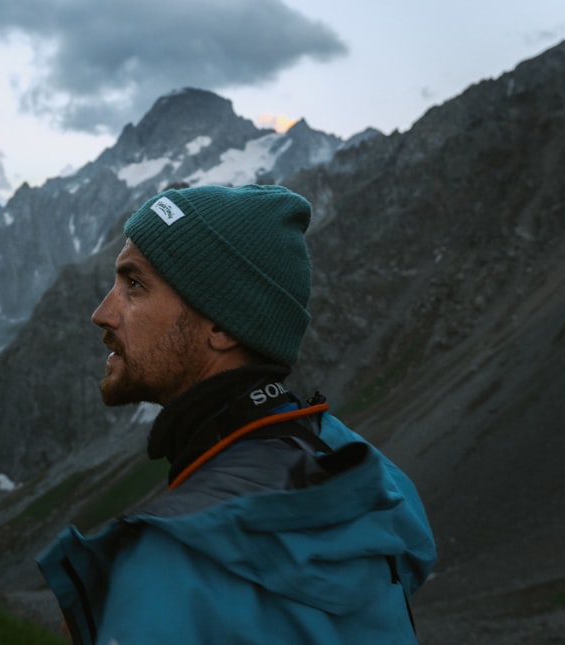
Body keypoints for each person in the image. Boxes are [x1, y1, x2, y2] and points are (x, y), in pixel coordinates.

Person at [36, 184, 436, 644]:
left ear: (222, 323)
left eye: (134, 285)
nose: (101, 313)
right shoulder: (353, 469)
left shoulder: (172, 564)